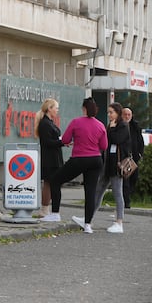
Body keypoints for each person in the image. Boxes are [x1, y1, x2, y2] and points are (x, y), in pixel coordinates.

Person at [46, 97, 107, 234]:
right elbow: (104, 146)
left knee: (55, 180)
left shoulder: (76, 122)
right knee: (90, 192)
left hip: (79, 159)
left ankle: (55, 213)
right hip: (95, 160)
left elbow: (66, 139)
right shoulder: (100, 125)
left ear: (84, 109)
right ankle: (88, 225)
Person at [84, 102, 130, 233]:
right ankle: (89, 218)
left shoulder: (122, 126)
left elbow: (116, 139)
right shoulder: (110, 125)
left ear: (117, 113)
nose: (109, 115)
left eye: (111, 112)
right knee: (98, 191)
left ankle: (119, 222)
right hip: (107, 163)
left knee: (117, 193)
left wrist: (112, 129)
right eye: (108, 112)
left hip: (117, 165)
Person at [33, 98, 64, 219]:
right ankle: (45, 209)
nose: (57, 110)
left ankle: (46, 209)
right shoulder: (45, 124)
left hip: (53, 156)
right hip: (50, 158)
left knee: (49, 183)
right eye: (56, 108)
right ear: (49, 109)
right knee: (49, 183)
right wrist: (62, 142)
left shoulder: (49, 122)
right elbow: (47, 142)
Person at [122, 107, 145, 208]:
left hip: (134, 158)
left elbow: (140, 141)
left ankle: (127, 196)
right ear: (121, 115)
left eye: (129, 115)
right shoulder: (119, 126)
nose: (127, 117)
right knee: (125, 180)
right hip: (123, 158)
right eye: (125, 114)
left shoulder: (135, 127)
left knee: (134, 178)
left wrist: (140, 153)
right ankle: (126, 202)